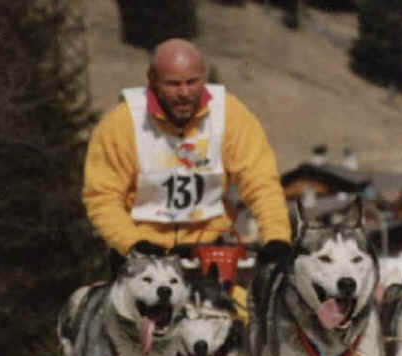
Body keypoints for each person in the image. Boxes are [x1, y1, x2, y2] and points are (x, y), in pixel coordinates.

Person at [82, 38, 292, 271]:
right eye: (173, 84)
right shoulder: (121, 124)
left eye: (193, 82)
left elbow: (261, 181)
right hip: (141, 257)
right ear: (152, 80)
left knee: (246, 307)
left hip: (212, 252)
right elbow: (102, 198)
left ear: (204, 76)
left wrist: (277, 237)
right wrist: (133, 243)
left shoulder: (230, 115)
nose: (184, 93)